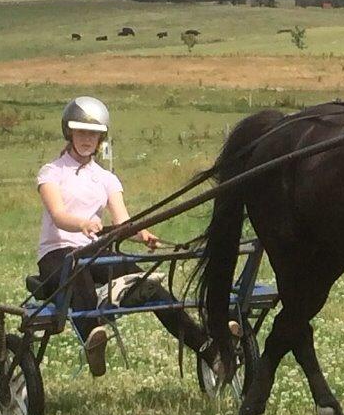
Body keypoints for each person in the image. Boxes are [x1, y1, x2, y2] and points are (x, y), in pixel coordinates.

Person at [36, 96, 217, 377]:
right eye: (81, 132)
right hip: (57, 254)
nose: (87, 139)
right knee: (77, 268)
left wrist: (142, 235)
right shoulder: (51, 173)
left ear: (101, 138)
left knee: (149, 284)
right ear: (69, 132)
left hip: (93, 252)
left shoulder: (106, 178)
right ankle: (93, 337)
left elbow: (122, 223)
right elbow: (58, 215)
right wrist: (82, 223)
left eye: (93, 134)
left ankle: (206, 346)